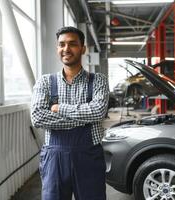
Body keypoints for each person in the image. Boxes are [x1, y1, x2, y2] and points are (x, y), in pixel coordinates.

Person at [30, 26, 109, 200]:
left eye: (72, 44)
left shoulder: (98, 80)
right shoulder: (45, 82)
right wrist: (83, 118)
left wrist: (60, 108)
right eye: (62, 44)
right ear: (57, 48)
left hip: (89, 157)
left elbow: (97, 112)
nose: (66, 49)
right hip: (54, 159)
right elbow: (38, 117)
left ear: (82, 48)